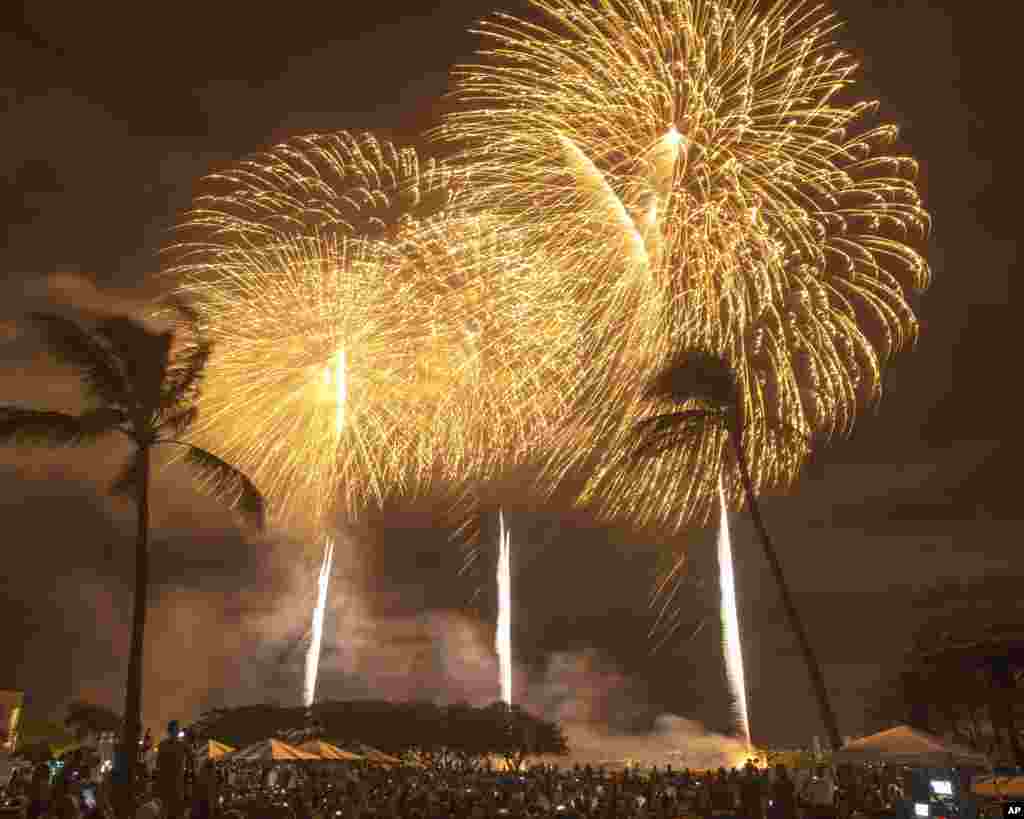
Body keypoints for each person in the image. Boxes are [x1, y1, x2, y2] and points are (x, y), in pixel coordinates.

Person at [154, 721, 187, 819]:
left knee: (169, 811)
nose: (176, 732)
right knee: (171, 811)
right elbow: (158, 765)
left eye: (177, 730)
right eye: (176, 730)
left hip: (172, 785)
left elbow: (158, 765)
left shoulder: (164, 745)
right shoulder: (181, 746)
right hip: (171, 785)